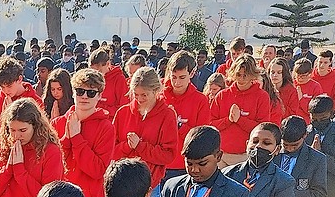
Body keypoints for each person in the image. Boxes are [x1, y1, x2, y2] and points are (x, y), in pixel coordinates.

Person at [54, 67, 117, 197]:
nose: (84, 96)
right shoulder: (57, 123)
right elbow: (52, 164)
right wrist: (66, 139)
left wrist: (76, 138)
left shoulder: (106, 127)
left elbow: (98, 170)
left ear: (99, 95)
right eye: (80, 91)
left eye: (91, 93)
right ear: (73, 93)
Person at [110, 66, 179, 189]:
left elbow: (168, 155)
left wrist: (140, 146)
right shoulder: (122, 112)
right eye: (135, 94)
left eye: (144, 95)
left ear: (156, 91)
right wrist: (127, 146)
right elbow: (110, 151)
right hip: (122, 182)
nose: (139, 99)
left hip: (150, 185)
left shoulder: (167, 115)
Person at [211, 55, 272, 168]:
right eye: (239, 74)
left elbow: (262, 129)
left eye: (246, 75)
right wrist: (228, 120)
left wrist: (240, 119)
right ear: (233, 73)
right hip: (221, 155)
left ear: (253, 74)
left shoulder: (262, 96)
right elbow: (210, 124)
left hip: (246, 155)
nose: (242, 79)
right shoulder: (222, 95)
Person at [161, 51, 211, 183]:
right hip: (157, 162)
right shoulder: (159, 96)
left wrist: (178, 125)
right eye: (174, 77)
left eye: (182, 77)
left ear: (192, 73)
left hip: (182, 166)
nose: (177, 82)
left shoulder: (200, 100)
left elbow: (200, 137)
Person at [0, 56, 42, 152]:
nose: (5, 91)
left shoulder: (35, 101)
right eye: (2, 87)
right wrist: (2, 117)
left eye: (9, 86)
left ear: (19, 79)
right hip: (0, 155)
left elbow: (40, 134)